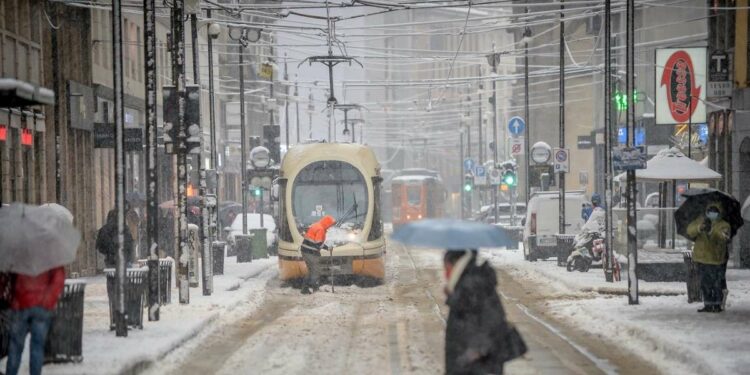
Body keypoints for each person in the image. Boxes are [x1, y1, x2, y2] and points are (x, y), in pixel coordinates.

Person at [444, 250, 519, 375]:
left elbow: (487, 334)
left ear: (457, 265)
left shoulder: (471, 288)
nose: (445, 273)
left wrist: (464, 362)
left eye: (447, 267)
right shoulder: (469, 285)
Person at [5, 266, 65, 375]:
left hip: (20, 304)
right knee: (37, 347)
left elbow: (8, 277)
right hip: (41, 305)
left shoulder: (17, 253)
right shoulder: (50, 255)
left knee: (15, 348)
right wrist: (48, 300)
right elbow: (58, 279)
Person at [687, 203, 731, 313]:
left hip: (716, 260)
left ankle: (717, 305)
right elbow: (690, 231)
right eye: (710, 211)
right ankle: (708, 304)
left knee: (716, 284)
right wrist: (700, 228)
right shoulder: (700, 221)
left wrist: (712, 230)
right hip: (702, 259)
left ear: (719, 213)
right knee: (705, 284)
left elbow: (724, 237)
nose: (712, 213)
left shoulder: (723, 224)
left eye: (714, 211)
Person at [299, 215, 336, 295]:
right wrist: (327, 248)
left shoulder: (317, 225)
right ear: (327, 223)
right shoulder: (320, 229)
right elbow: (318, 243)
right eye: (330, 225)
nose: (330, 227)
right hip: (310, 252)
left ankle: (305, 289)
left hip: (306, 250)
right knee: (315, 270)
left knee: (311, 270)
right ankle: (315, 288)